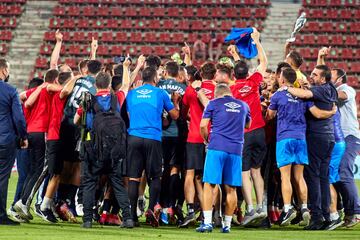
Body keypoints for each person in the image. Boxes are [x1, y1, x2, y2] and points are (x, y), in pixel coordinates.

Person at [267, 67, 336, 227]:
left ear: (282, 80)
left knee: (285, 176)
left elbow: (270, 115)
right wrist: (331, 112)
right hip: (301, 139)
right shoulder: (304, 96)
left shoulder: (279, 94)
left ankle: (287, 208)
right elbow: (317, 113)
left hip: (284, 138)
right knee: (299, 177)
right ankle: (304, 208)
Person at [74, 59, 133, 228]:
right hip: (113, 150)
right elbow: (126, 85)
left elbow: (76, 120)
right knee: (117, 183)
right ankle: (128, 218)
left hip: (92, 148)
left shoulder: (88, 99)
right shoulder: (116, 99)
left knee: (89, 183)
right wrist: (126, 68)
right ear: (108, 85)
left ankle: (87, 221)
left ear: (95, 85)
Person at [126, 67, 180, 227]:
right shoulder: (160, 93)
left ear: (142, 78)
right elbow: (175, 115)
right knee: (155, 176)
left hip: (134, 136)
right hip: (153, 138)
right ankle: (150, 209)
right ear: (155, 79)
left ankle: (133, 217)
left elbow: (129, 115)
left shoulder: (132, 93)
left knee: (134, 177)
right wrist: (175, 102)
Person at [286, 65, 337, 230]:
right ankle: (327, 216)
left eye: (314, 75)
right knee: (323, 178)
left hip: (316, 137)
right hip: (329, 138)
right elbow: (311, 89)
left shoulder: (319, 90)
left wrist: (286, 85)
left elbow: (305, 94)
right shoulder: (330, 89)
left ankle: (316, 218)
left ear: (323, 79)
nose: (310, 76)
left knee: (313, 178)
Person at [196, 84, 251, 233]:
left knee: (209, 184)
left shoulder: (213, 103)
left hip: (217, 147)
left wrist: (207, 139)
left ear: (216, 94)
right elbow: (248, 124)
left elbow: (203, 125)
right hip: (235, 150)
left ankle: (207, 222)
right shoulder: (244, 105)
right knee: (231, 188)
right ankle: (227, 225)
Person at [229, 27, 268, 225]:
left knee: (245, 173)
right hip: (259, 132)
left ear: (233, 74)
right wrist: (257, 41)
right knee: (256, 171)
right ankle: (261, 206)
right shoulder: (253, 82)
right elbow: (264, 63)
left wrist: (235, 55)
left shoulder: (232, 89)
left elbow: (238, 73)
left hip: (244, 133)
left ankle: (251, 208)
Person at [318, 48, 360, 227]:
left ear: (340, 79)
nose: (329, 79)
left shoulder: (346, 89)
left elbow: (341, 96)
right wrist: (320, 57)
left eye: (332, 76)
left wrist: (325, 92)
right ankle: (344, 210)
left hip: (350, 137)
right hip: (336, 138)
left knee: (343, 171)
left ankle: (356, 212)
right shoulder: (331, 88)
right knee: (331, 174)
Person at [13, 69, 60, 221]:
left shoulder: (37, 90)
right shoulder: (48, 88)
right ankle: (24, 202)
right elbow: (61, 89)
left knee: (33, 170)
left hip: (31, 132)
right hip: (41, 132)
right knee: (40, 170)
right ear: (55, 80)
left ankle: (22, 202)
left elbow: (22, 98)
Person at [37, 72, 77, 223]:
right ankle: (43, 206)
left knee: (57, 174)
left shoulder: (60, 94)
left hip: (57, 137)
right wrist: (76, 77)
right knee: (54, 175)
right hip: (54, 137)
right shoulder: (59, 94)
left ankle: (47, 204)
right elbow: (65, 89)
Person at [180, 62, 216, 227]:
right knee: (208, 179)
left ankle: (191, 210)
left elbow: (182, 111)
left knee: (190, 174)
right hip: (213, 138)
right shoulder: (219, 89)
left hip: (194, 136)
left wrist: (190, 117)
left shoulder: (191, 91)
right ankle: (210, 212)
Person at [157, 61, 187, 224]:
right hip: (178, 134)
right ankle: (170, 207)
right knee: (174, 170)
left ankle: (159, 206)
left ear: (166, 72)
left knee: (161, 171)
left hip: (160, 134)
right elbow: (186, 113)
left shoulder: (158, 85)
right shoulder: (183, 88)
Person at [0, 59, 28, 225]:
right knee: (3, 178)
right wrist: (23, 137)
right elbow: (19, 119)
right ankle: (1, 215)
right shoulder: (10, 91)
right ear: (4, 71)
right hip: (5, 140)